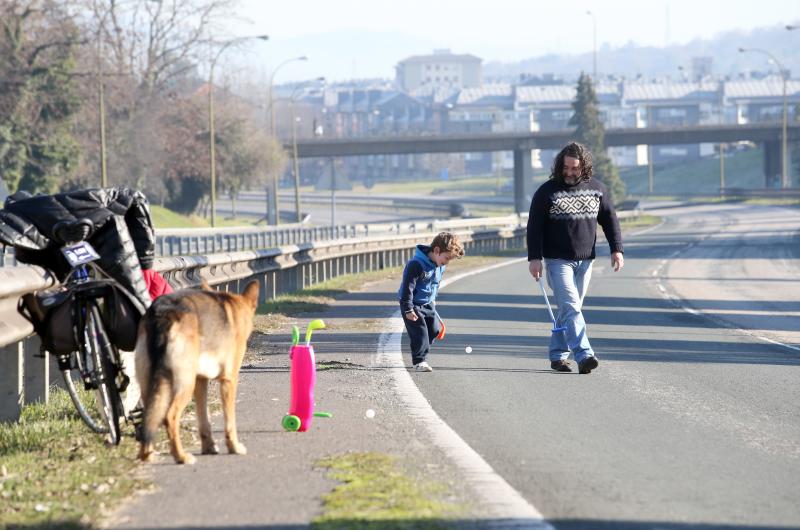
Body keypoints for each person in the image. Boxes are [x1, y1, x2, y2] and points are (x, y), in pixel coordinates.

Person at [527, 142, 624, 374]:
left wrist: (617, 249)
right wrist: (534, 258)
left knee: (569, 310)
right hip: (557, 261)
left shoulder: (598, 189)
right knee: (571, 307)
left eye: (574, 168)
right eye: (565, 167)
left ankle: (558, 355)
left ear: (584, 167)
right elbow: (534, 227)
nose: (569, 172)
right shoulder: (546, 192)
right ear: (559, 166)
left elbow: (610, 220)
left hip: (586, 260)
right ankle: (584, 355)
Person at [398, 231, 465, 372]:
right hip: (412, 304)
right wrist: (408, 309)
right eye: (447, 258)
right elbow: (407, 288)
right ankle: (419, 361)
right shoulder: (416, 264)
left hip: (428, 303)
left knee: (434, 330)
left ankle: (420, 348)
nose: (447, 262)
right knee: (420, 333)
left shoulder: (440, 265)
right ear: (437, 250)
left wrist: (433, 300)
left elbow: (435, 284)